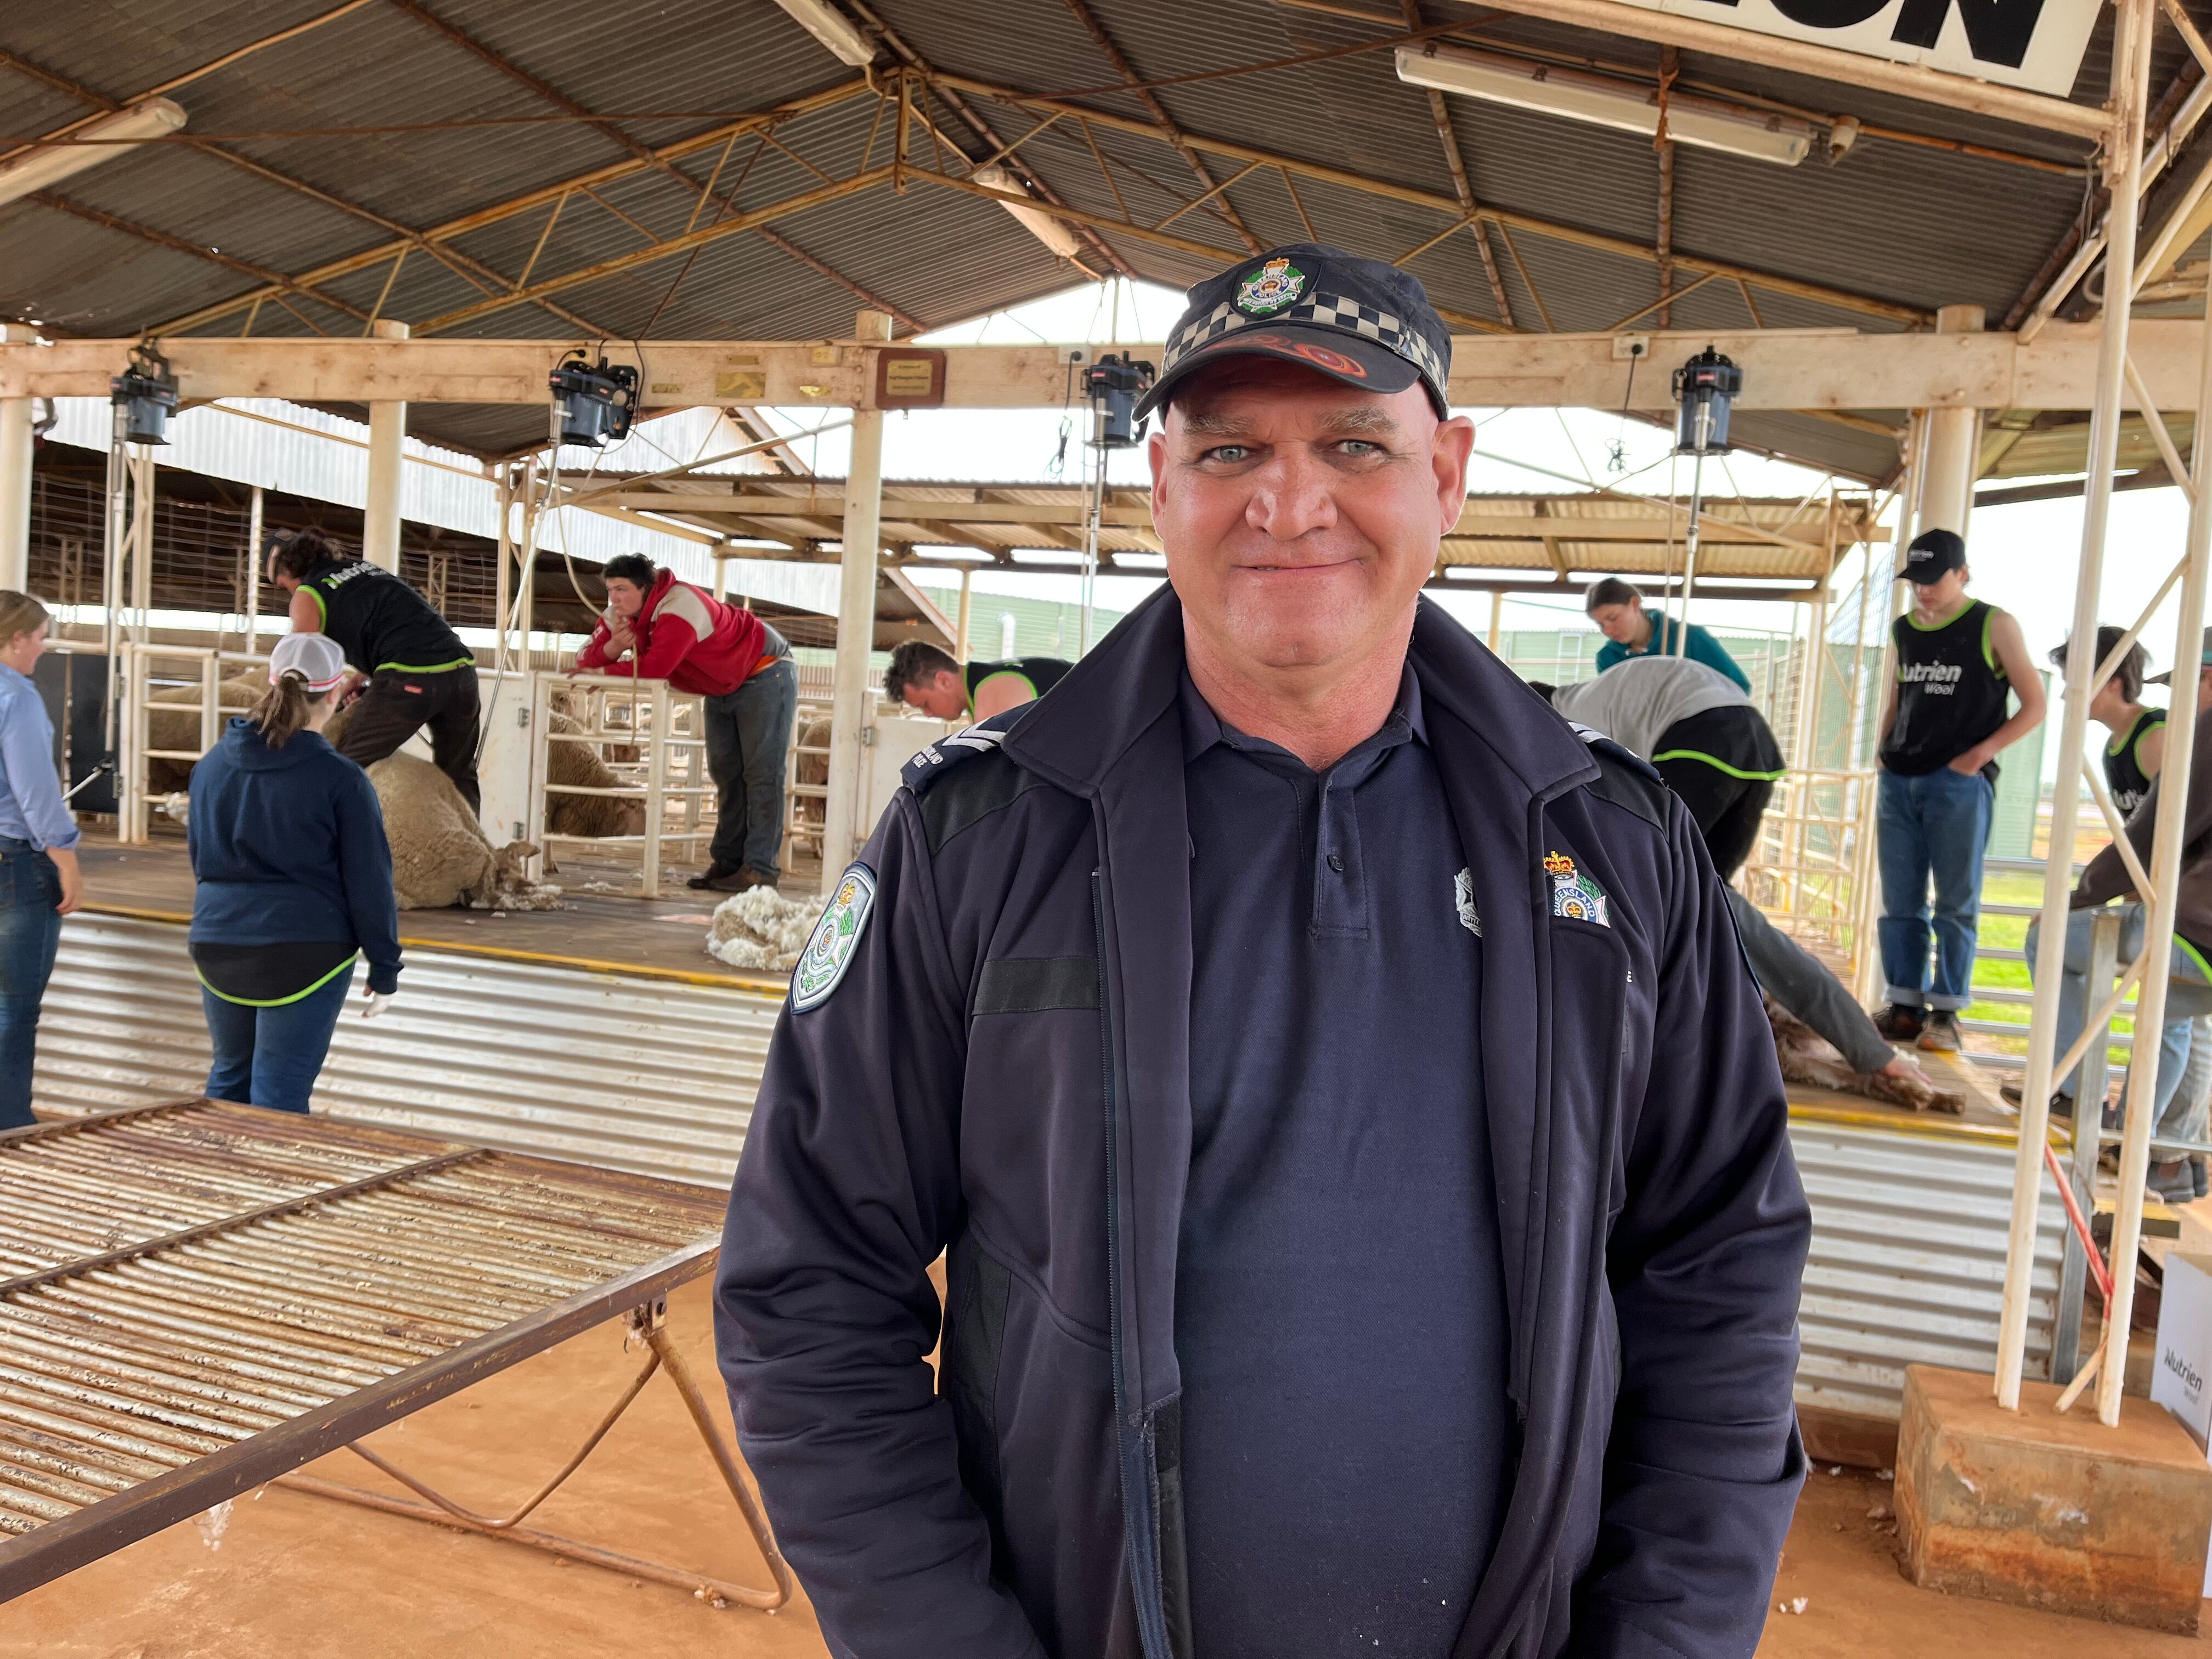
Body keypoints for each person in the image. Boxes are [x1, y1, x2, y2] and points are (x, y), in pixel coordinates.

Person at [716, 243, 1807, 1658]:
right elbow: (810, 1287)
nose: (1289, 502)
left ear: (1449, 474)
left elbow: (1721, 1271)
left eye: (1356, 441)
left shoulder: (1615, 844)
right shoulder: (980, 836)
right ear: (1163, 486)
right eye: (1231, 448)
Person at [1538, 659, 1920, 1088]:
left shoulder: (1568, 720)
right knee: (1714, 903)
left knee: (1696, 897)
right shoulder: (1599, 695)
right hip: (1757, 751)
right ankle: (1779, 1024)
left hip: (1705, 741)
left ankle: (1857, 1046)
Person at [2028, 629, 2212, 1202]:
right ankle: (2148, 1142)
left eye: (2187, 687)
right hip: (2182, 916)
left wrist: (2077, 898)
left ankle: (2099, 1106)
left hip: (2193, 921)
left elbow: (2157, 834)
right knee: (2170, 1013)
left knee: (2050, 941)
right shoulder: (2141, 741)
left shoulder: (2174, 736)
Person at [187, 633, 401, 1115]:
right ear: (336, 694)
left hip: (218, 940)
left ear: (270, 683)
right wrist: (385, 965)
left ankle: (212, 1183)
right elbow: (369, 882)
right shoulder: (342, 779)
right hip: (305, 950)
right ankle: (270, 1187)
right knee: (279, 1091)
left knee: (228, 1077)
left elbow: (201, 861)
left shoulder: (211, 767)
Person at [1872, 528, 2046, 1053]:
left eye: (1933, 579)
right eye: (1915, 581)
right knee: (1899, 899)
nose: (1923, 590)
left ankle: (1947, 1014)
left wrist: (1976, 757)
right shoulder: (1905, 629)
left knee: (1955, 902)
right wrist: (1883, 750)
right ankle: (1904, 1006)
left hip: (1958, 782)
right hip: (1899, 779)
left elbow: (2035, 705)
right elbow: (1900, 698)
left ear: (1962, 573)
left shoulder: (1995, 623)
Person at [574, 553, 795, 894]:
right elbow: (583, 662)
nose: (614, 599)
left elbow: (655, 667)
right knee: (727, 773)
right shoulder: (621, 615)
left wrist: (601, 671)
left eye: (621, 589)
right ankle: (729, 862)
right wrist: (615, 647)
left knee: (762, 773)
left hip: (763, 670)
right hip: (722, 683)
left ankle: (760, 868)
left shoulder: (681, 604)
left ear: (645, 588)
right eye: (610, 590)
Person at [267, 527, 482, 815]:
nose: (288, 593)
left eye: (283, 586)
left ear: (288, 571)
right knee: (460, 776)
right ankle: (472, 853)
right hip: (462, 674)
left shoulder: (308, 592)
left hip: (410, 680)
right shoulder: (364, 569)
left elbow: (302, 665)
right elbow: (397, 624)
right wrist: (365, 675)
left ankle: (321, 845)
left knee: (345, 766)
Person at [1544, 653, 1784, 880]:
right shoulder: (1594, 695)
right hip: (1760, 747)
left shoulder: (1572, 714)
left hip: (1704, 735)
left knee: (1654, 869)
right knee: (1713, 885)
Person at [0, 592, 82, 1131]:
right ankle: (9, 1123)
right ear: (14, 640)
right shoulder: (18, 698)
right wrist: (67, 856)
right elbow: (35, 791)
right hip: (14, 865)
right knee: (13, 1005)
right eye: (41, 637)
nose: (44, 648)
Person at [1585, 575, 1751, 691]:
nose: (1607, 630)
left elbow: (1737, 686)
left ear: (1635, 604)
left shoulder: (1689, 638)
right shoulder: (1607, 658)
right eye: (1601, 624)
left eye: (1613, 618)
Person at [883, 639, 1073, 721]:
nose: (928, 714)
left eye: (925, 704)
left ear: (943, 681)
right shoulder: (982, 684)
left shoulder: (992, 693)